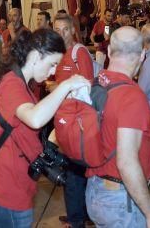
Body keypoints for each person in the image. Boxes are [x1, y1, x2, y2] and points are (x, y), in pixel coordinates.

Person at [0, 29, 90, 226]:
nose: (53, 71)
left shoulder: (22, 82)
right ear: (36, 56)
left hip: (14, 188)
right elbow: (35, 119)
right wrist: (66, 86)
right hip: (4, 192)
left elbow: (28, 130)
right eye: (52, 64)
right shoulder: (11, 83)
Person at [85, 26, 150, 228]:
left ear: (110, 52)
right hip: (120, 200)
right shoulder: (132, 98)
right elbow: (126, 162)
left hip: (95, 189)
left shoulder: (95, 84)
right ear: (142, 56)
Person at [52, 13, 95, 228]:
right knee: (74, 171)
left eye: (65, 30)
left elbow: (87, 86)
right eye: (57, 30)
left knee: (74, 172)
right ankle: (79, 213)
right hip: (64, 120)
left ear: (72, 30)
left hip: (78, 122)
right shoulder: (58, 54)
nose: (61, 34)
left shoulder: (80, 53)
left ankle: (76, 218)